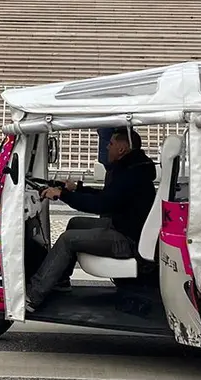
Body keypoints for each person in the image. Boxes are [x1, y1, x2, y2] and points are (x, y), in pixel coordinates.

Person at [27, 129, 157, 311]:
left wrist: (63, 195)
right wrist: (75, 189)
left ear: (121, 148)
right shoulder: (132, 168)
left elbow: (101, 205)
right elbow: (107, 196)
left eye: (110, 144)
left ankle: (33, 296)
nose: (106, 146)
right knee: (75, 223)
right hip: (127, 229)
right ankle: (60, 280)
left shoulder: (130, 175)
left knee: (68, 240)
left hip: (128, 240)